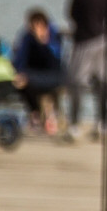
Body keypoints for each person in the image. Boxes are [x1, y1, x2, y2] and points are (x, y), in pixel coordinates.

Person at [66, 0, 107, 140]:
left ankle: (75, 124)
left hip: (84, 42)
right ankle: (102, 122)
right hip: (103, 40)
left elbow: (72, 16)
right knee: (102, 84)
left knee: (76, 83)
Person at [12, 8, 67, 137]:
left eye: (40, 24)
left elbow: (56, 61)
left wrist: (44, 43)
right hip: (32, 75)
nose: (37, 28)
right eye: (34, 25)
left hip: (53, 76)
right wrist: (19, 72)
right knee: (20, 82)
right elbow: (20, 59)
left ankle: (48, 116)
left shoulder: (54, 36)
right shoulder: (27, 37)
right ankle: (35, 114)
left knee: (29, 81)